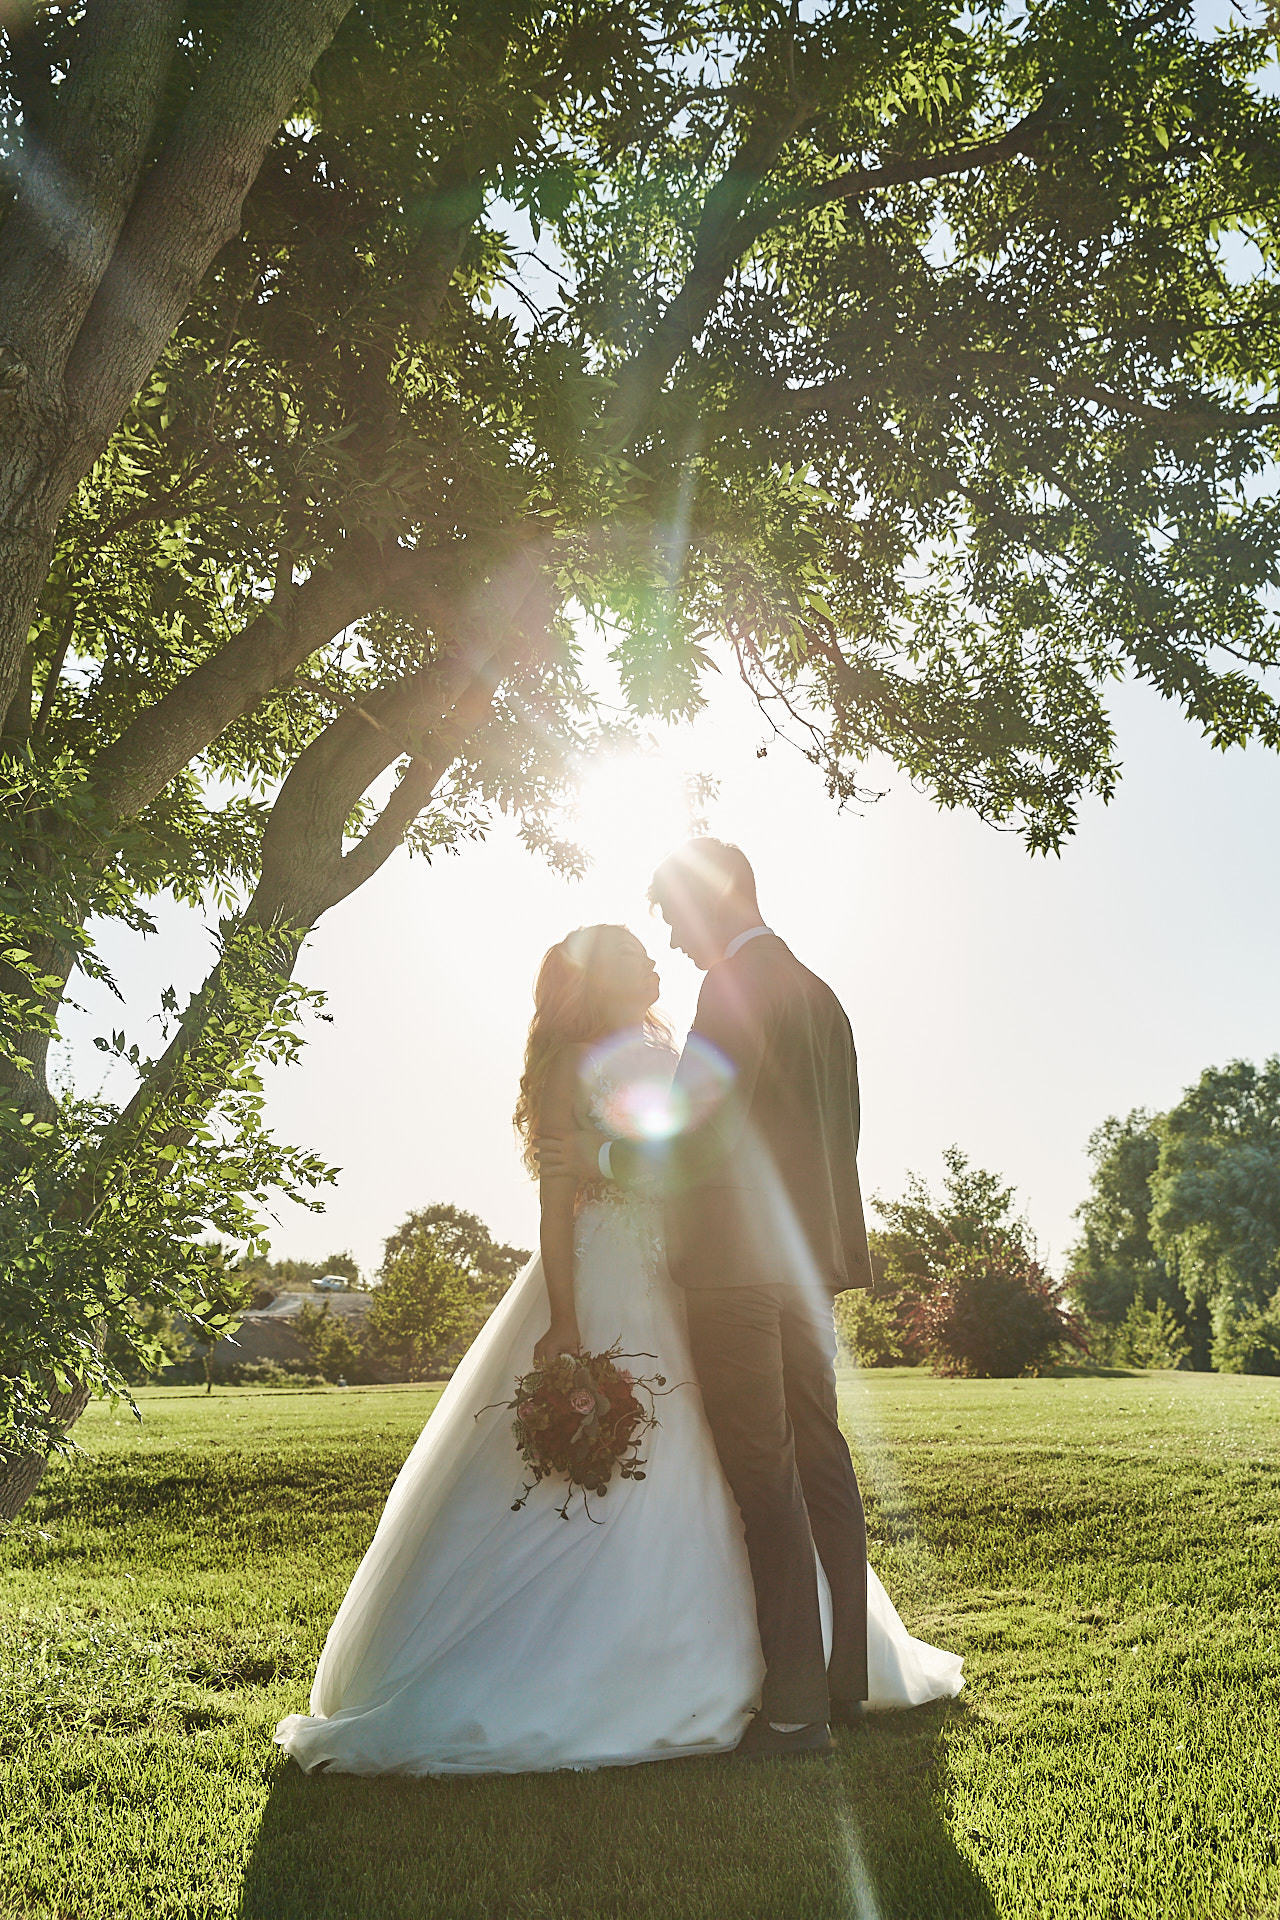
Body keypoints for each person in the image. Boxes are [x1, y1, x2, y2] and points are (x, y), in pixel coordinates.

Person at [275, 915, 960, 1779]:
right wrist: (564, 1320)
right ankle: (643, 1669)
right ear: (595, 981)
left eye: (652, 942)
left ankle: (792, 1672)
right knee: (678, 1460)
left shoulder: (676, 1050)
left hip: (698, 1276)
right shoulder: (572, 1064)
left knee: (747, 1462)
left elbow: (699, 1151)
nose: (657, 956)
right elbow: (557, 1202)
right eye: (635, 954)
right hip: (614, 1276)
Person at [539, 840, 893, 1758]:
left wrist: (607, 1159)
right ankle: (844, 1685)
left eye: (672, 915)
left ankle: (793, 1712)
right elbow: (842, 1137)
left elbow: (698, 1136)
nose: (673, 940)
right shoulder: (822, 993)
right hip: (804, 1267)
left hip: (735, 1269)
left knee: (763, 1476)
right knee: (823, 1462)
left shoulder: (734, 989)